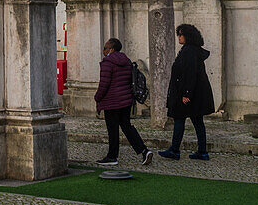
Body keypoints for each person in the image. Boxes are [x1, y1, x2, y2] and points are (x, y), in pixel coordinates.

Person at [159, 23, 216, 161]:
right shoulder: (191, 50)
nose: (179, 37)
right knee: (197, 121)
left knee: (180, 119)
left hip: (189, 94)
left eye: (181, 34)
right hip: (193, 93)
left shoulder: (189, 51)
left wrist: (186, 93)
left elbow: (190, 73)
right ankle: (201, 152)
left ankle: (175, 150)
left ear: (187, 36)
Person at [93, 38, 153, 167]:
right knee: (127, 126)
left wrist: (97, 97)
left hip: (112, 101)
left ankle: (112, 156)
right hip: (126, 101)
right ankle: (144, 150)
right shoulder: (126, 61)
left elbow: (104, 84)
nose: (104, 51)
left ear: (111, 49)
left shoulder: (107, 63)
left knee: (112, 129)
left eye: (105, 48)